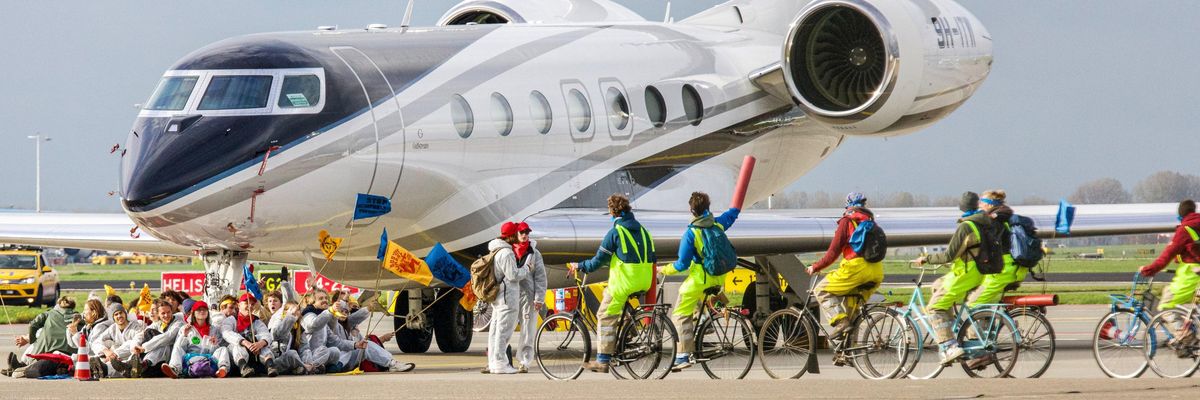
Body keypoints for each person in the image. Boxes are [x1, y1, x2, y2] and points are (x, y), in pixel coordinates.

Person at [570, 194, 656, 373]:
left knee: (605, 315)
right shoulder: (644, 231)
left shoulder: (616, 232)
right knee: (608, 296)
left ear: (612, 211)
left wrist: (580, 265)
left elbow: (597, 261)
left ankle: (602, 360)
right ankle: (627, 329)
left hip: (625, 282)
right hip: (644, 279)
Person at [913, 191, 996, 365]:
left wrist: (926, 259)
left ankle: (949, 345)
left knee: (935, 307)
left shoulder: (966, 226)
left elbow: (949, 255)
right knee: (938, 286)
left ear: (962, 207)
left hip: (964, 274)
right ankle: (975, 346)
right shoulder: (985, 223)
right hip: (981, 273)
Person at [664, 192, 740, 370]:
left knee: (680, 313)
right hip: (720, 277)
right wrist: (737, 204)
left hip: (701, 280)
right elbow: (733, 213)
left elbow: (682, 264)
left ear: (692, 211)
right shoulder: (718, 224)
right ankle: (704, 317)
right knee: (696, 300)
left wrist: (664, 269)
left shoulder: (691, 233)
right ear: (708, 207)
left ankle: (683, 356)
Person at [806, 192, 884, 346]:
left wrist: (815, 266)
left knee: (821, 290)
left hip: (856, 269)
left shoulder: (847, 221)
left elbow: (833, 252)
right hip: (876, 271)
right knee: (852, 315)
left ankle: (840, 322)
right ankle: (847, 352)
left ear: (847, 205)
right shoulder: (871, 222)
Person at [1135, 199, 1200, 353]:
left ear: (1180, 216)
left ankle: (1186, 336)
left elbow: (1166, 256)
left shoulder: (1184, 230)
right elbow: (1192, 249)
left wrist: (1148, 269)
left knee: (1165, 304)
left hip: (1192, 274)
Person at [485, 222, 527, 374]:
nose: (518, 236)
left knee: (496, 331)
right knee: (504, 331)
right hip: (507, 297)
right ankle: (501, 363)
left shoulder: (496, 250)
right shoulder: (506, 253)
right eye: (516, 233)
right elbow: (513, 275)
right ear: (510, 236)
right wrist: (526, 269)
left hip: (499, 296)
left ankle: (493, 362)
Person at [967, 190, 1020, 307]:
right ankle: (987, 322)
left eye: (982, 202)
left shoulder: (994, 221)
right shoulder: (1002, 218)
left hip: (1001, 270)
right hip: (1007, 267)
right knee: (985, 302)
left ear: (990, 204)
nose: (979, 205)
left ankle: (983, 324)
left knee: (973, 303)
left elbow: (987, 245)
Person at [3, 296, 77, 377]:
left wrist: (31, 339)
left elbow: (32, 325)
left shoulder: (50, 313)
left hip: (49, 352)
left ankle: (22, 364)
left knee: (34, 341)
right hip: (70, 355)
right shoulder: (77, 317)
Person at [164, 301, 230, 378]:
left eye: (204, 309)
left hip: (208, 359)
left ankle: (223, 369)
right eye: (199, 310)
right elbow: (180, 347)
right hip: (191, 359)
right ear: (193, 313)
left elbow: (215, 352)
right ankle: (175, 369)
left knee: (223, 349)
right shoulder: (185, 328)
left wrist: (215, 344)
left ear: (208, 312)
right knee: (177, 348)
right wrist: (184, 335)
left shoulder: (214, 329)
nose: (202, 311)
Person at [514, 221, 547, 373]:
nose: (525, 235)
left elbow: (540, 277)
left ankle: (524, 361)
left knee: (528, 331)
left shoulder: (535, 254)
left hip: (528, 297)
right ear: (516, 234)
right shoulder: (508, 252)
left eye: (527, 232)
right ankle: (500, 359)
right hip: (510, 296)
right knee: (504, 329)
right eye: (522, 232)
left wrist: (539, 298)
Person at [220, 293, 277, 377]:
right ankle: (243, 367)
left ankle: (270, 366)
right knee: (237, 345)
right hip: (235, 359)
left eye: (252, 304)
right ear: (239, 305)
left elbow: (266, 334)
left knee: (263, 345)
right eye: (246, 303)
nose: (250, 306)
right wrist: (244, 342)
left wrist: (260, 344)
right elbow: (226, 333)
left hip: (254, 355)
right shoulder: (230, 320)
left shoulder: (256, 321)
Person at [132, 299, 185, 377]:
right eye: (163, 313)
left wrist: (144, 347)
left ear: (172, 311)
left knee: (163, 345)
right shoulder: (158, 324)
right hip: (157, 360)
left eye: (168, 312)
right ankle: (131, 365)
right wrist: (135, 347)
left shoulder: (178, 323)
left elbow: (167, 337)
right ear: (158, 314)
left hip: (171, 356)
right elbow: (140, 335)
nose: (166, 315)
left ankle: (143, 364)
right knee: (148, 332)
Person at [92, 304, 146, 378]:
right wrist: (106, 351)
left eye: (121, 313)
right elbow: (96, 342)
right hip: (116, 360)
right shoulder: (112, 328)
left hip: (132, 358)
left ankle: (103, 369)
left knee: (130, 343)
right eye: (116, 314)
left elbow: (137, 340)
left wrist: (115, 354)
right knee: (105, 346)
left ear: (125, 314)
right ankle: (98, 369)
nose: (119, 316)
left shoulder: (136, 326)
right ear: (113, 318)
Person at [67, 299, 114, 377]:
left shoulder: (100, 327)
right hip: (90, 358)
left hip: (101, 360)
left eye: (86, 310)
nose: (83, 313)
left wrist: (75, 333)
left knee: (70, 362)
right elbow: (72, 345)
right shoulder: (87, 327)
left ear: (94, 312)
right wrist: (70, 331)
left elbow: (90, 349)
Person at [299, 288, 339, 373]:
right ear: (313, 302)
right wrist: (330, 311)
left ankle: (315, 367)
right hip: (307, 352)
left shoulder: (323, 313)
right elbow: (314, 325)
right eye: (321, 299)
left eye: (325, 298)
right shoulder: (308, 313)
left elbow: (334, 337)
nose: (325, 300)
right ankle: (310, 367)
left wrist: (355, 344)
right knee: (323, 350)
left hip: (320, 352)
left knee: (335, 351)